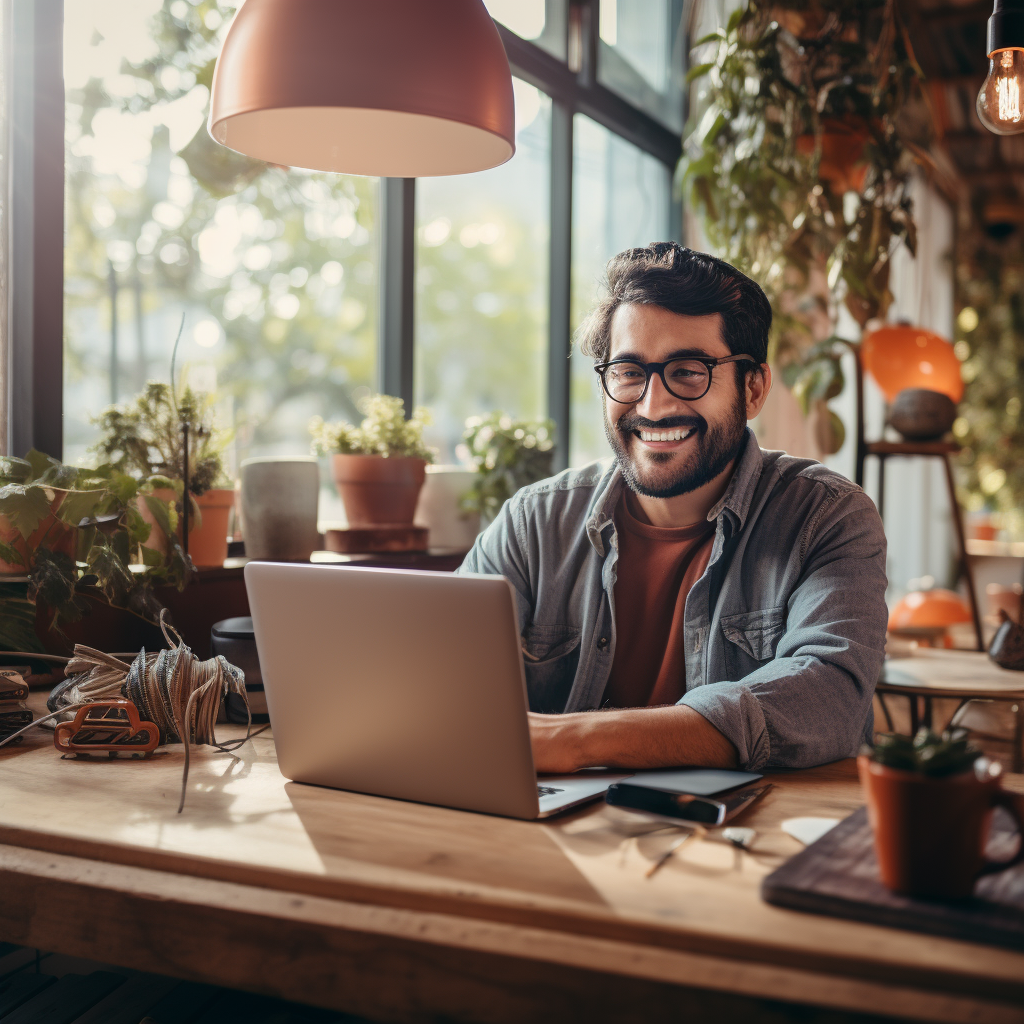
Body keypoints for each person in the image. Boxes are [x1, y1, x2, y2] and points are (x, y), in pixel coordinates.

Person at [458, 243, 888, 774]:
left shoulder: (826, 516)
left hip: (746, 834)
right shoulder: (535, 522)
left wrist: (578, 739)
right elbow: (436, 674)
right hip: (555, 830)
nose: (654, 405)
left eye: (689, 371)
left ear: (753, 388)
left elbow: (828, 699)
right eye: (629, 372)